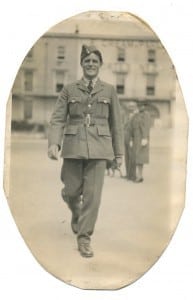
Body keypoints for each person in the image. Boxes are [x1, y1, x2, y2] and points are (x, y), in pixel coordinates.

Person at [47, 44, 123, 258]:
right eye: (87, 61)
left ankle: (84, 238)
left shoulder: (109, 90)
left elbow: (116, 123)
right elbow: (58, 118)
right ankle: (75, 209)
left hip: (100, 149)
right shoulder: (69, 89)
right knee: (71, 191)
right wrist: (54, 143)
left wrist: (119, 154)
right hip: (73, 147)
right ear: (82, 64)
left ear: (100, 65)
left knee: (93, 197)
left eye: (95, 61)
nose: (91, 64)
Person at [131, 102, 151, 183]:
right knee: (137, 158)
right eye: (139, 105)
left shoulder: (146, 114)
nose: (140, 107)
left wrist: (145, 138)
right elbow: (132, 125)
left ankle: (139, 176)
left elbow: (146, 126)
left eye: (142, 105)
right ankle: (138, 176)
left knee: (140, 158)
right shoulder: (137, 114)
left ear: (144, 106)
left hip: (142, 139)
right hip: (136, 138)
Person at [124, 101, 138, 181]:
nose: (130, 108)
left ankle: (133, 175)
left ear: (135, 107)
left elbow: (135, 129)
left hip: (131, 139)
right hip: (126, 138)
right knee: (127, 157)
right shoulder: (127, 115)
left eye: (132, 107)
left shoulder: (136, 116)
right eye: (129, 107)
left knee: (132, 158)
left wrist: (132, 139)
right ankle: (128, 174)